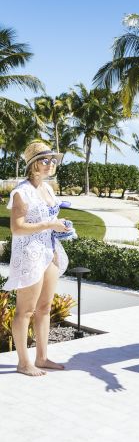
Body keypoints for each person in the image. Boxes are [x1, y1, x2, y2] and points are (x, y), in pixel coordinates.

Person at [3, 141, 71, 376]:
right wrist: (49, 224)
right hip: (29, 254)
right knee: (26, 311)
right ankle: (23, 363)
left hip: (48, 251)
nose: (51, 164)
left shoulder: (48, 189)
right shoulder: (21, 192)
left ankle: (42, 357)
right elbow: (17, 228)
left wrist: (61, 228)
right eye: (45, 160)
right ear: (32, 165)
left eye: (53, 160)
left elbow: (50, 220)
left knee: (44, 308)